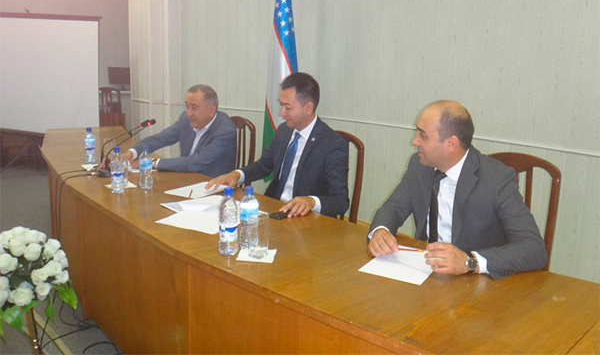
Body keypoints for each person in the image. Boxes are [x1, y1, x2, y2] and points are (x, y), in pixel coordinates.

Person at [368, 100, 547, 279]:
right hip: (425, 273)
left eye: (423, 135)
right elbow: (394, 208)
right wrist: (380, 231)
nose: (414, 141)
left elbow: (534, 248)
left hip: (476, 282)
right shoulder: (419, 165)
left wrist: (470, 262)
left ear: (450, 144)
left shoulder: (496, 179)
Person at [207, 72, 349, 219]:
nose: (282, 113)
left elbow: (341, 201)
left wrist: (311, 201)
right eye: (281, 105)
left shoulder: (332, 144)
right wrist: (237, 175)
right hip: (276, 209)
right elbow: (264, 165)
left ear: (308, 108)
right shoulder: (284, 131)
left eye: (288, 108)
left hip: (307, 218)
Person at [122, 85, 237, 176]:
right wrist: (131, 153)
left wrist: (152, 163)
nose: (188, 113)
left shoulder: (225, 131)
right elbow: (161, 138)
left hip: (212, 186)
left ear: (211, 110)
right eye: (187, 106)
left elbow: (196, 162)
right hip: (185, 178)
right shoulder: (185, 119)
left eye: (194, 108)